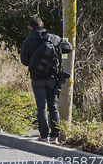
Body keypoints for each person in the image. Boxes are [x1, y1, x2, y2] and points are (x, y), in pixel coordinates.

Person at [21, 16, 72, 145]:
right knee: (53, 106)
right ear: (42, 24)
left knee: (41, 108)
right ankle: (55, 137)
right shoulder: (53, 38)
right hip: (52, 79)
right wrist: (59, 51)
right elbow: (69, 47)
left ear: (30, 27)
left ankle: (43, 136)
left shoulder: (27, 42)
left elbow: (24, 62)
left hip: (37, 79)